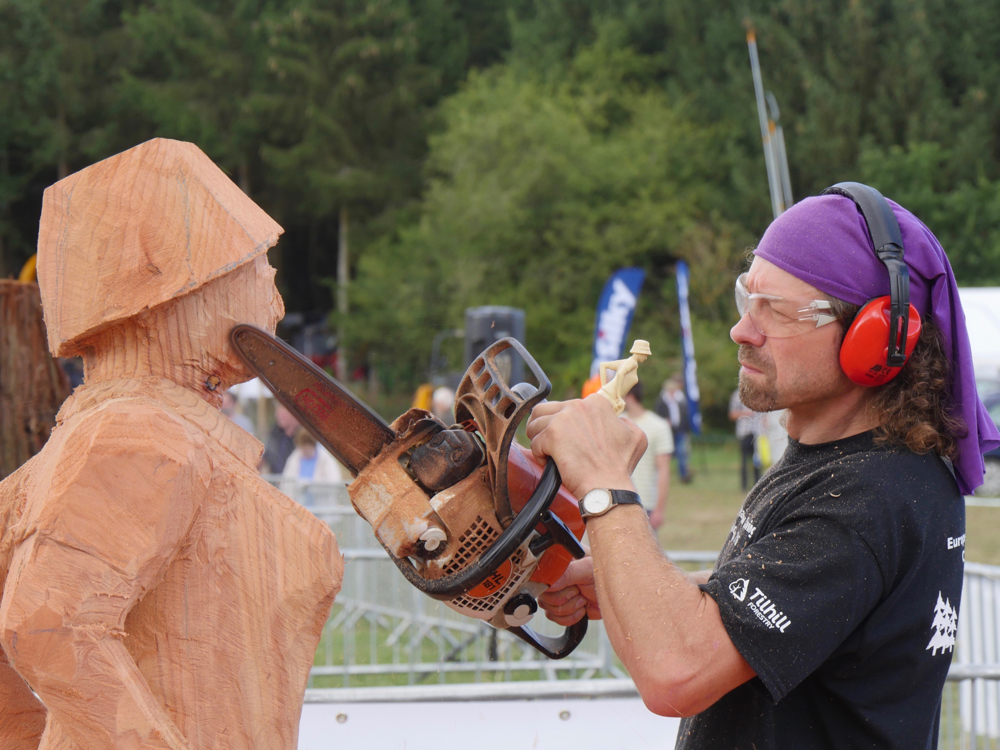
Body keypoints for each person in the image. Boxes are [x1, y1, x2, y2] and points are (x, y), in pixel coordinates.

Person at [526, 186, 1000, 748]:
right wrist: (647, 591)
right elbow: (820, 601)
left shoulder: (867, 499)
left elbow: (674, 673)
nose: (743, 330)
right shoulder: (855, 465)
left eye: (776, 310)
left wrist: (605, 480)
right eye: (747, 298)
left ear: (876, 338)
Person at [622, 380, 673, 531]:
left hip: (645, 504)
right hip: (618, 502)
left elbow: (664, 470)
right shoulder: (616, 422)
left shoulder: (658, 426)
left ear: (629, 395)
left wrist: (659, 509)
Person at [281, 427, 344, 507]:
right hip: (298, 507)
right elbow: (286, 483)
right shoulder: (294, 458)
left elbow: (334, 483)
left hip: (322, 507)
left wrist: (311, 486)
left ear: (313, 445)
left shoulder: (326, 459)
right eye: (303, 447)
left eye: (308, 447)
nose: (305, 450)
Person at [654, 375, 692, 483]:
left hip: (679, 430)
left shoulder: (679, 400)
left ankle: (684, 476)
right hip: (667, 432)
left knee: (682, 453)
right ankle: (663, 474)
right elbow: (657, 416)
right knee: (666, 454)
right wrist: (664, 422)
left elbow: (684, 414)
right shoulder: (661, 401)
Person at [728, 388, 761, 490]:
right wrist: (746, 413)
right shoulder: (737, 395)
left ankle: (758, 484)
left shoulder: (759, 392)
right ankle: (744, 485)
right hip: (744, 432)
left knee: (757, 460)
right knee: (744, 460)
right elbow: (732, 414)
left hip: (757, 432)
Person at [261, 402, 299, 474]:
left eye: (282, 415)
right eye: (277, 414)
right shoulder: (274, 433)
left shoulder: (303, 435)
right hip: (275, 477)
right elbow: (265, 455)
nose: (278, 417)